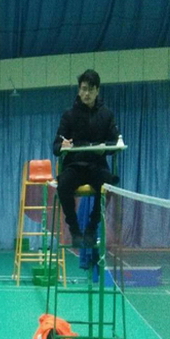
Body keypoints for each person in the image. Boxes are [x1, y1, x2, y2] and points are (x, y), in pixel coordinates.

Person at [53, 69, 121, 248]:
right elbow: (56, 146)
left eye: (91, 89)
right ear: (79, 90)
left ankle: (91, 228)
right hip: (74, 166)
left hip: (97, 166)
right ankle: (75, 230)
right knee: (63, 184)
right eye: (83, 89)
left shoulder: (107, 115)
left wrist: (105, 149)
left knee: (108, 185)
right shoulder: (68, 115)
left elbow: (115, 143)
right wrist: (62, 145)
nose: (87, 93)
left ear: (97, 90)